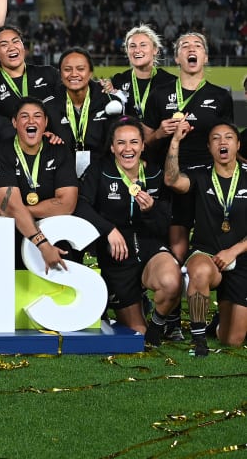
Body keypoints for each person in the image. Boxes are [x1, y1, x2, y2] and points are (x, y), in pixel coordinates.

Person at [75, 117, 179, 345]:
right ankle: (136, 300)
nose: (127, 148)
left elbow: (164, 224)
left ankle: (159, 322)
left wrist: (151, 210)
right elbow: (80, 205)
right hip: (117, 255)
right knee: (137, 335)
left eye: (134, 142)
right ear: (112, 147)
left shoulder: (154, 174)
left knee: (171, 282)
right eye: (121, 143)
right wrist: (108, 230)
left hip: (150, 246)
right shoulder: (100, 171)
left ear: (143, 145)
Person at [165, 119, 247, 356]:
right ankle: (199, 338)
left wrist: (234, 251)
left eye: (229, 137)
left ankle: (219, 321)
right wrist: (176, 141)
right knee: (199, 270)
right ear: (210, 148)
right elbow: (172, 180)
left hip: (241, 259)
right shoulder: (200, 175)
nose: (223, 142)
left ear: (238, 144)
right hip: (208, 255)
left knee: (233, 339)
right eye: (216, 138)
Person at [0, 98, 79, 271]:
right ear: (14, 122)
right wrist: (44, 246)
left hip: (56, 234)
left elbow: (67, 204)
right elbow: (10, 203)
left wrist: (22, 211)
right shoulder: (0, 153)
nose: (31, 121)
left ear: (45, 123)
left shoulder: (59, 150)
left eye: (37, 116)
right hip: (13, 236)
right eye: (24, 116)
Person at [144, 32, 233, 170]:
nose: (191, 48)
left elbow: (229, 143)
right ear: (177, 58)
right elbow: (145, 144)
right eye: (185, 46)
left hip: (208, 178)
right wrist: (159, 134)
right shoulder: (158, 94)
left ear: (205, 58)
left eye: (197, 45)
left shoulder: (221, 96)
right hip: (166, 175)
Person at [46, 48, 123, 175]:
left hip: (102, 175)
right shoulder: (48, 105)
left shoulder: (109, 102)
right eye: (67, 69)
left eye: (80, 69)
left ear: (90, 73)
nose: (74, 74)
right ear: (60, 74)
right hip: (61, 176)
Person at [109, 25, 176, 120]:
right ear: (127, 51)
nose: (137, 50)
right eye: (132, 46)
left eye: (143, 45)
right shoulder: (117, 81)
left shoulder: (170, 82)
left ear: (155, 50)